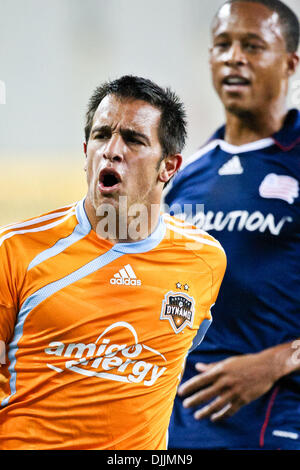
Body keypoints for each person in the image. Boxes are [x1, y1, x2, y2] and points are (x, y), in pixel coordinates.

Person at [0, 75, 226, 450]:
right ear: (86, 150)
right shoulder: (15, 251)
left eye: (134, 140)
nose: (112, 150)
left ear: (168, 167)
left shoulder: (204, 261)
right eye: (102, 135)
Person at [165, 0, 300, 450]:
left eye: (253, 45)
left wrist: (277, 361)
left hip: (276, 424)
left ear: (291, 62)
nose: (233, 57)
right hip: (179, 429)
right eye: (222, 45)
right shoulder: (182, 177)